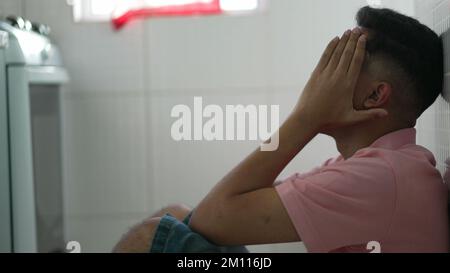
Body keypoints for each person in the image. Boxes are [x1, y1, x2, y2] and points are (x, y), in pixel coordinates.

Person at [113, 6, 448, 253]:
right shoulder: (380, 164)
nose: (321, 78)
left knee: (151, 238)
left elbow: (213, 218)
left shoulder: (380, 177)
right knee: (173, 216)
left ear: (376, 95)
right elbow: (226, 211)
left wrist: (306, 117)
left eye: (340, 65)